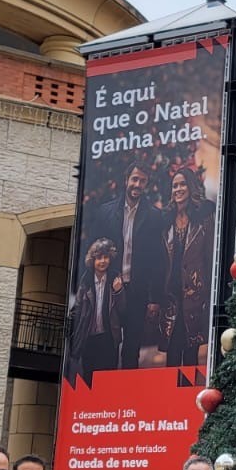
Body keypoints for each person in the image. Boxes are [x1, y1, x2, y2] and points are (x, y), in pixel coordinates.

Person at [97, 160, 167, 369]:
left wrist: (154, 299)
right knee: (108, 345)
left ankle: (128, 388)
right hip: (110, 289)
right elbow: (95, 251)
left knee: (131, 349)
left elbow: (157, 261)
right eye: (135, 179)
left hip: (138, 292)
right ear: (126, 180)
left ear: (146, 184)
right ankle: (108, 387)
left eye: (142, 181)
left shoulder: (155, 216)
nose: (137, 184)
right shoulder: (106, 212)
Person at [163, 165, 215, 367]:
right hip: (171, 296)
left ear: (191, 187)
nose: (178, 189)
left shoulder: (203, 218)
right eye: (174, 186)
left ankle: (189, 388)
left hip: (195, 295)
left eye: (182, 184)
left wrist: (208, 293)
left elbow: (209, 257)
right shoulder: (166, 220)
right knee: (172, 353)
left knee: (191, 352)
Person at [68, 238, 121, 381]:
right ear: (92, 260)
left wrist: (119, 292)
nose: (102, 261)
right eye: (98, 258)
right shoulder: (85, 282)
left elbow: (123, 311)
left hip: (109, 338)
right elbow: (77, 309)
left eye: (106, 257)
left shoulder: (115, 279)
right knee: (88, 378)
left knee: (107, 380)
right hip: (89, 338)